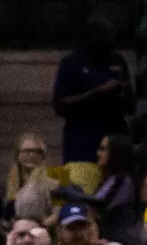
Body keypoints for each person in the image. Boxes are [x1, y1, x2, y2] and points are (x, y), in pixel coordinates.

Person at [53, 18, 134, 165]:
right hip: (81, 141)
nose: (110, 43)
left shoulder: (117, 60)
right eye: (105, 38)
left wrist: (121, 92)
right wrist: (97, 92)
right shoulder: (71, 62)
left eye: (112, 37)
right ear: (92, 38)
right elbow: (60, 105)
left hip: (114, 139)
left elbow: (131, 106)